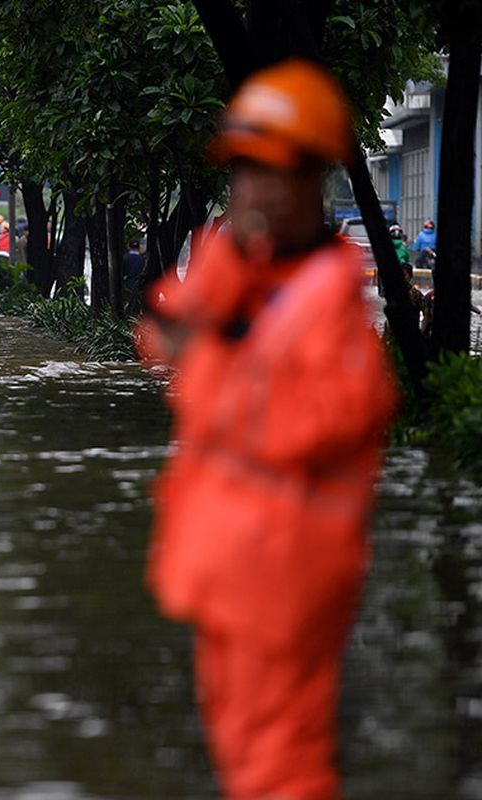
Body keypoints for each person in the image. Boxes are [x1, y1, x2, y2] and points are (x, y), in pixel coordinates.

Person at [136, 59, 397, 800]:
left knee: (277, 766)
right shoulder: (252, 276)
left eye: (270, 169)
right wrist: (219, 287)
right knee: (243, 752)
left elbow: (334, 418)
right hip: (230, 560)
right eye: (241, 167)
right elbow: (159, 342)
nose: (249, 186)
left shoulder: (327, 299)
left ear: (312, 175)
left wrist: (219, 345)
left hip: (282, 566)